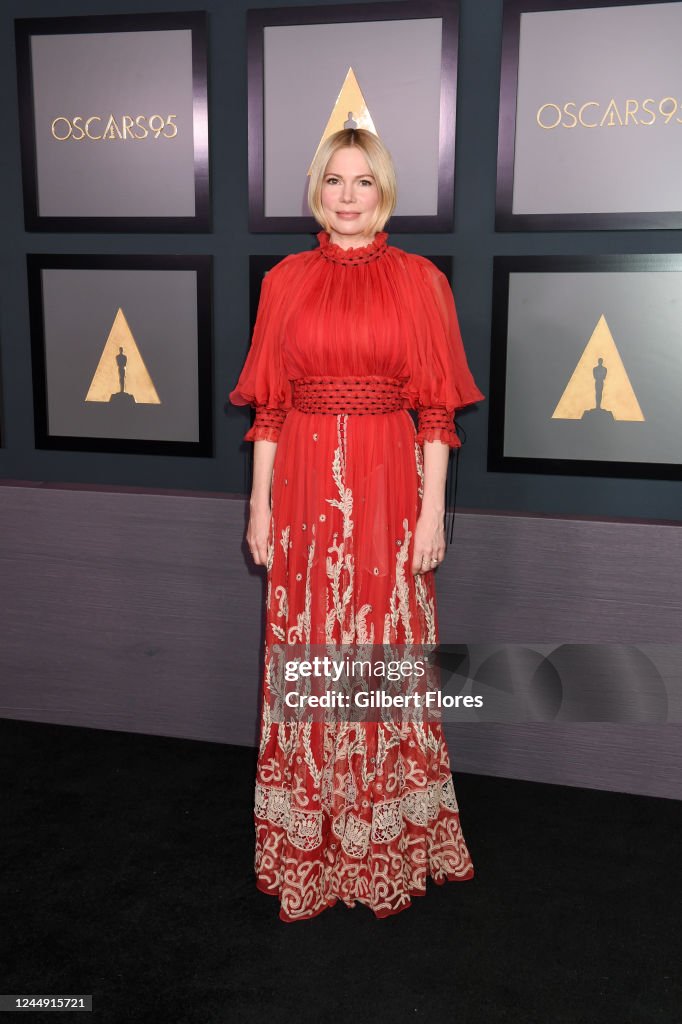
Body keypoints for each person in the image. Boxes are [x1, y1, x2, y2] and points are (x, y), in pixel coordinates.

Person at [229, 128, 485, 922]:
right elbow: (269, 407)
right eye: (333, 181)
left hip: (387, 487)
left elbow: (437, 411)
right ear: (318, 191)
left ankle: (385, 833)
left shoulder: (421, 281)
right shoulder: (285, 280)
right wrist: (258, 506)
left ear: (385, 191)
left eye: (362, 181)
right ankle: (312, 830)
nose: (346, 196)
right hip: (302, 488)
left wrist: (432, 513)